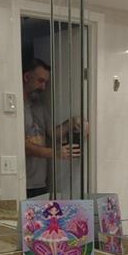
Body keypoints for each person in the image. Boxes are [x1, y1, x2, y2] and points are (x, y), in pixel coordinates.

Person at [23, 57, 81, 197]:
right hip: (23, 183)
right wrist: (55, 153)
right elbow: (22, 146)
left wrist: (72, 122)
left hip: (40, 183)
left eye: (46, 83)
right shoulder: (14, 108)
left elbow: (54, 133)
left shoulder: (39, 106)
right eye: (40, 81)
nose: (43, 87)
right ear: (26, 77)